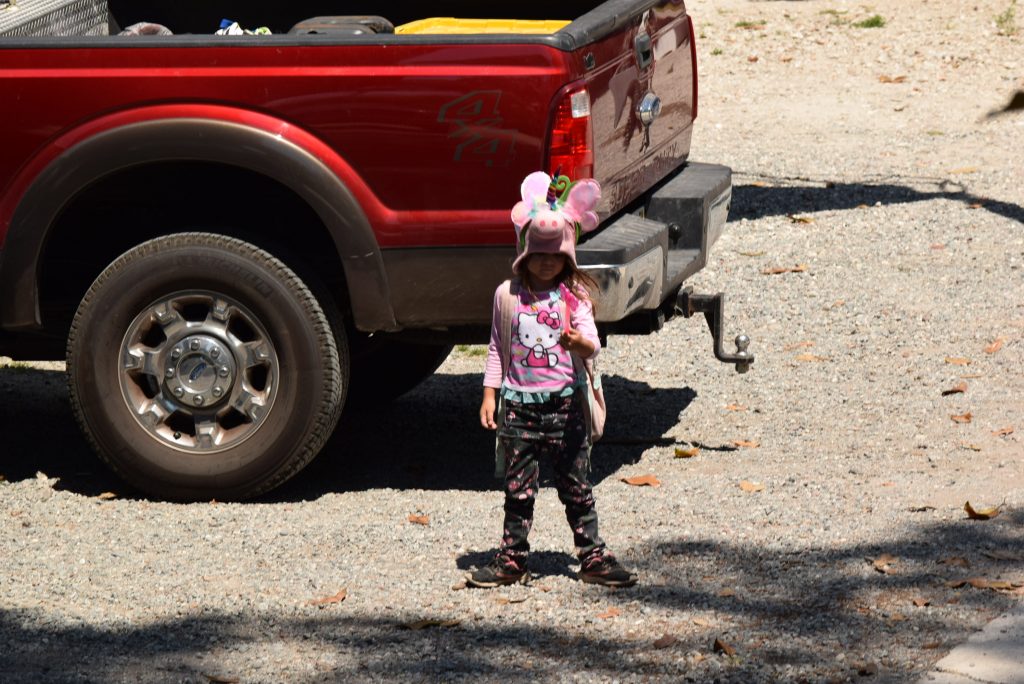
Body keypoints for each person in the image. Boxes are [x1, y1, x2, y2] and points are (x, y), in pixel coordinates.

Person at [468, 170, 637, 589]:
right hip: (519, 407)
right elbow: (496, 348)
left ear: (568, 258)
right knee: (518, 490)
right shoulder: (507, 295)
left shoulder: (572, 299)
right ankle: (512, 558)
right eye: (539, 253)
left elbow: (592, 347)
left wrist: (578, 341)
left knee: (576, 486)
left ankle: (593, 555)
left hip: (564, 407)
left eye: (556, 255)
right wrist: (490, 393)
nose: (547, 261)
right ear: (525, 254)